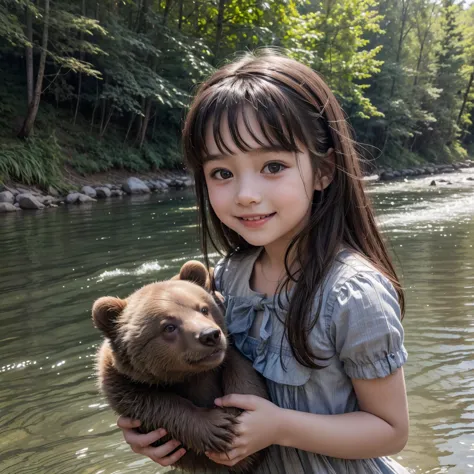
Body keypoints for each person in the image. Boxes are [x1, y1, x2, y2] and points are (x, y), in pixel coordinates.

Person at [117, 49, 410, 473]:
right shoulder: (227, 280)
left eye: (272, 165)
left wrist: (280, 427)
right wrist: (152, 430)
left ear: (324, 172)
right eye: (222, 173)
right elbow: (172, 373)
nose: (246, 194)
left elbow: (391, 430)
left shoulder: (352, 295)